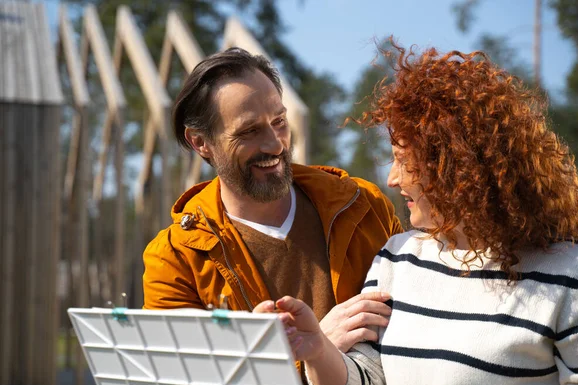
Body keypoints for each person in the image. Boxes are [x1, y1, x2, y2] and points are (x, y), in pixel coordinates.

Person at [269, 44, 578, 385]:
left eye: (402, 160)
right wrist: (317, 349)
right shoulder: (397, 258)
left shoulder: (574, 273)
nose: (392, 179)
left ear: (456, 166)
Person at [142, 48, 403, 358]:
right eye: (249, 131)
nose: (275, 144)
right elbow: (184, 384)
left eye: (279, 121)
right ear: (201, 142)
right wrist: (316, 348)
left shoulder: (364, 208)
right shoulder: (175, 260)